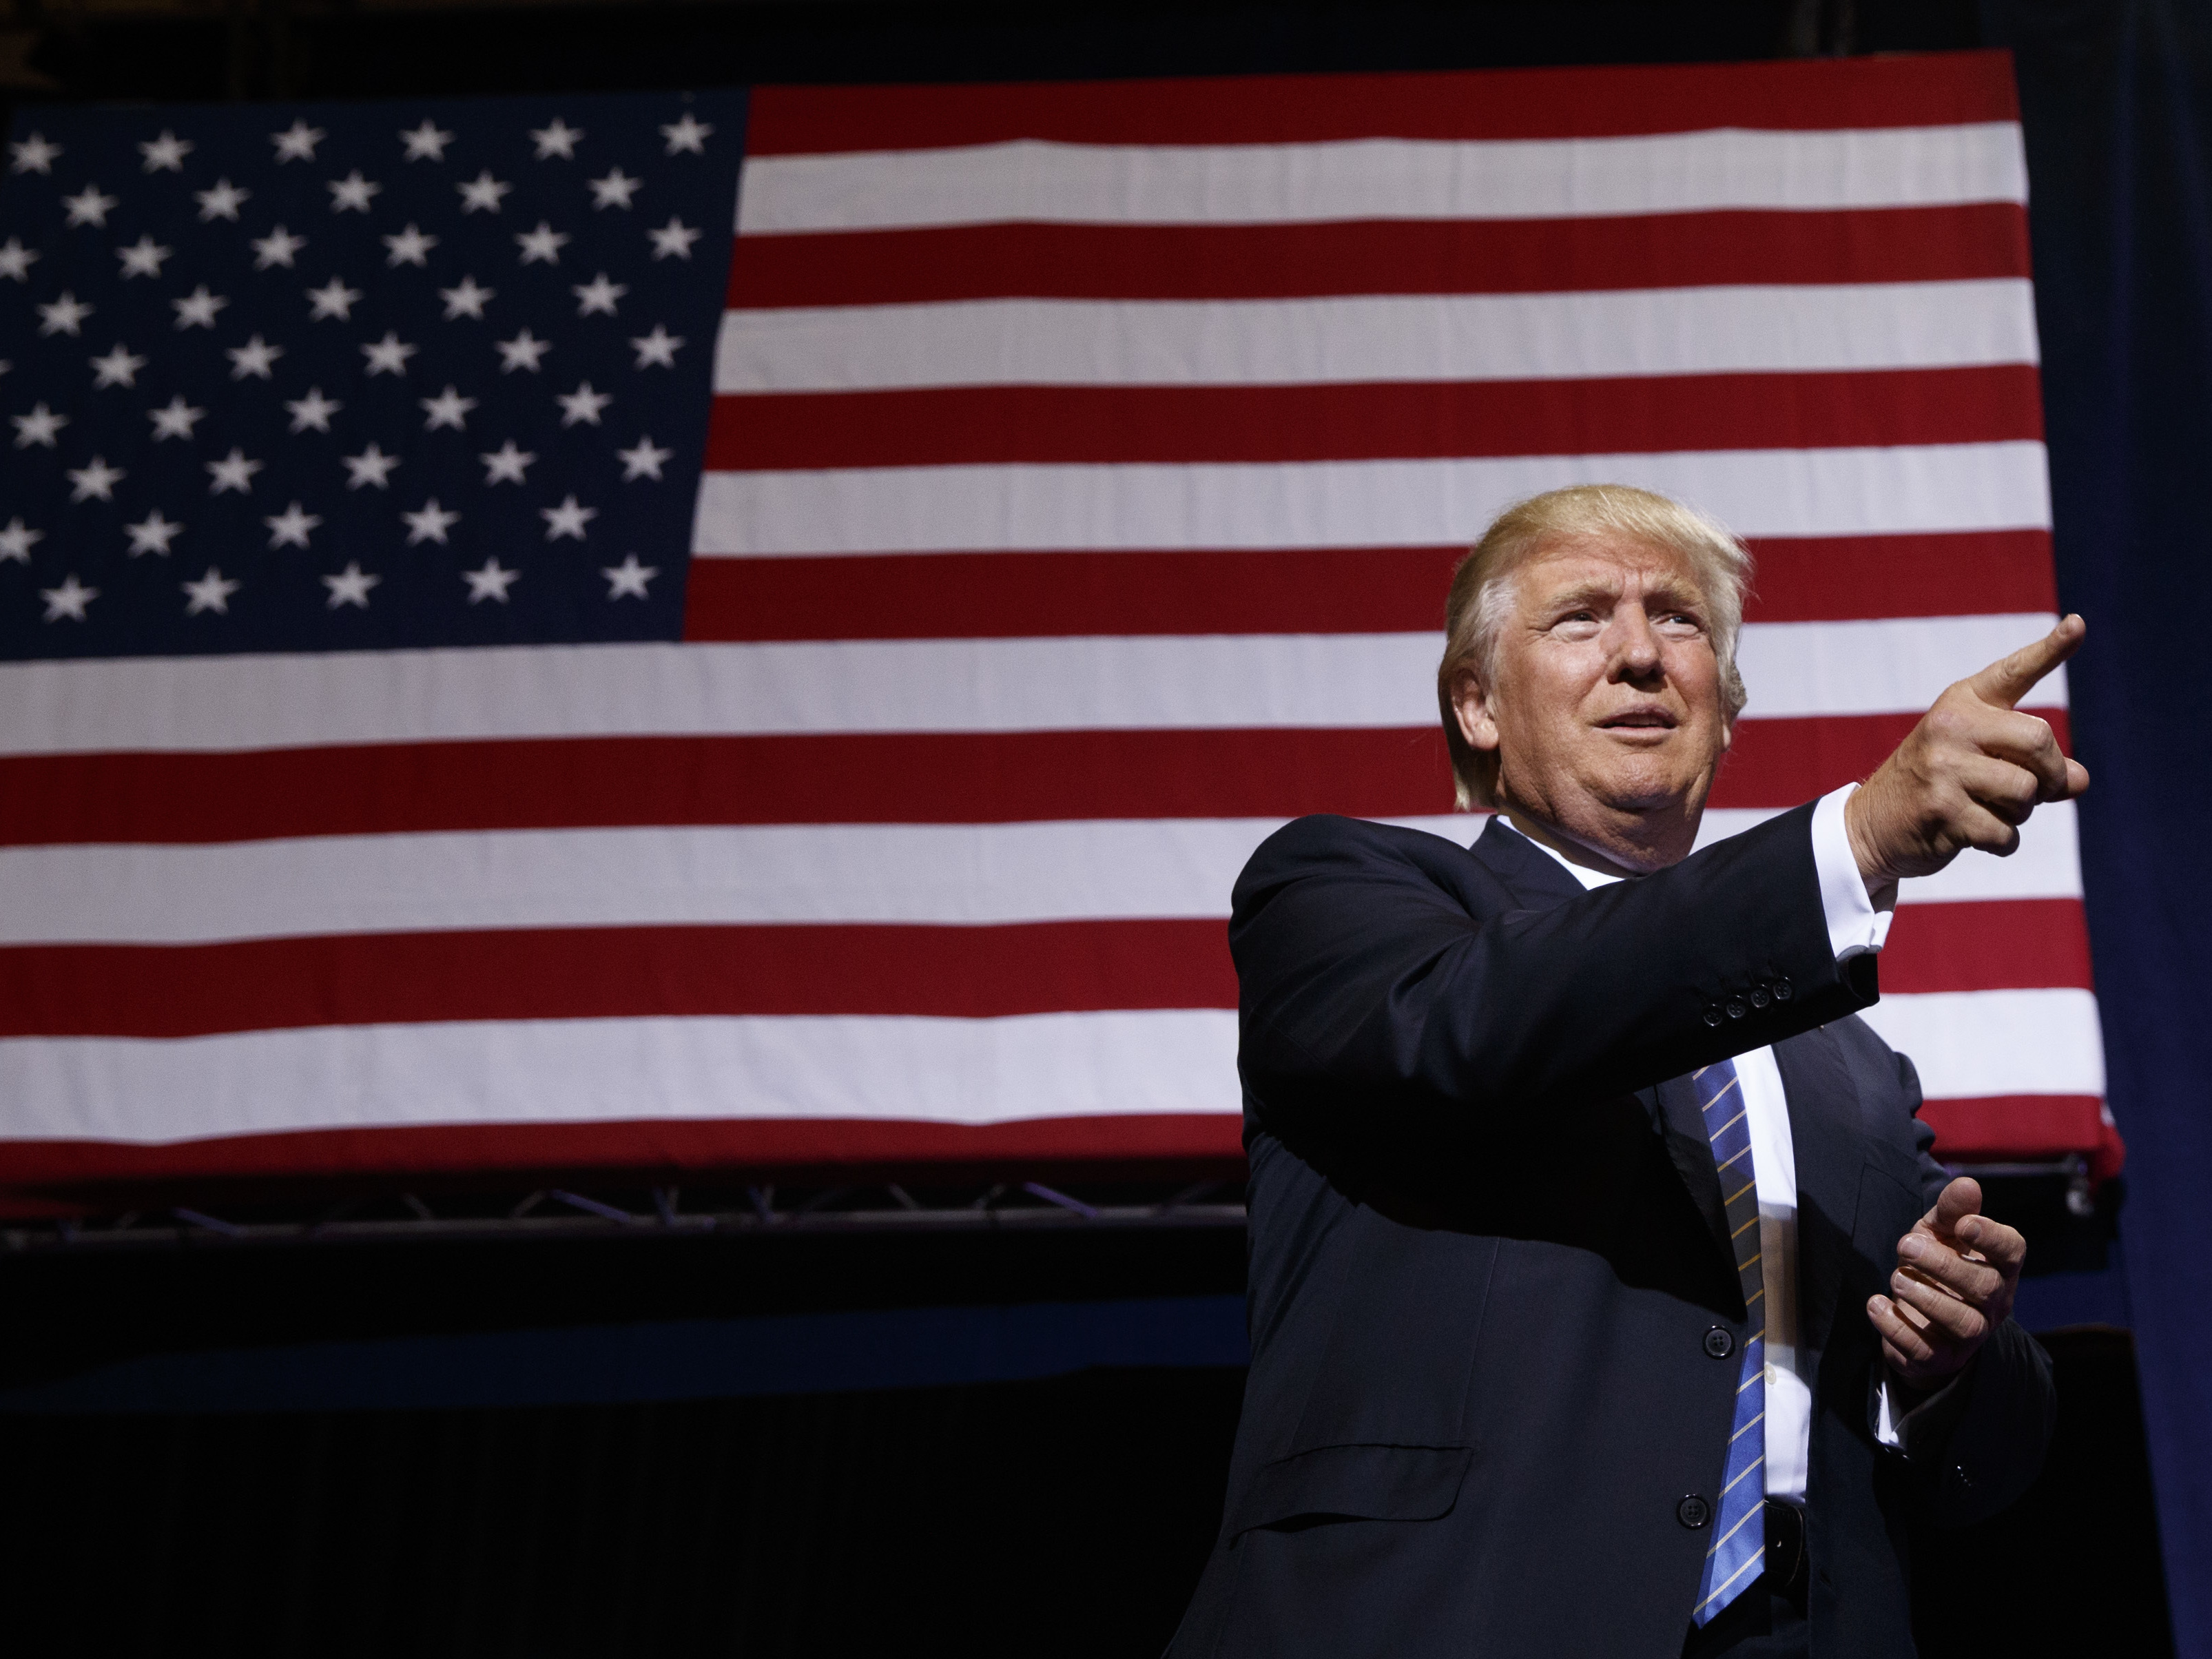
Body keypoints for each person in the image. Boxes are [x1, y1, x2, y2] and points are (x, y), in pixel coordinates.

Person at [1166, 486, 2073, 1659]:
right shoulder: (1347, 903)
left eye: (1682, 622)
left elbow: (1985, 1467)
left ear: (1727, 709)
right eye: (1582, 617)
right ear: (1478, 705)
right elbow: (1495, 1021)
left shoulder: (1854, 1068)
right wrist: (1852, 839)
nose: (1641, 653)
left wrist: (1951, 1363)